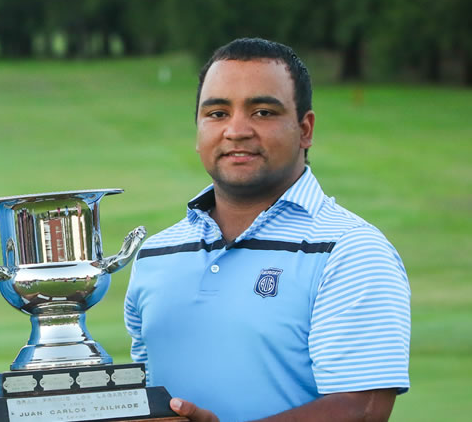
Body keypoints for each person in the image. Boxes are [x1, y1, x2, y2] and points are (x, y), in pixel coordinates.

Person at [124, 38, 411, 422]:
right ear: (198, 130)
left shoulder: (350, 250)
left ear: (305, 129)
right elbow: (150, 395)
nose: (236, 130)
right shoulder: (156, 254)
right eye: (217, 113)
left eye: (262, 112)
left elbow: (361, 409)